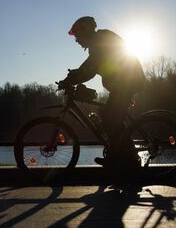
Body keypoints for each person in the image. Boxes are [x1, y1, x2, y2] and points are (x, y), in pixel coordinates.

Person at [58, 16, 145, 171]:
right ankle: (123, 156)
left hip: (127, 82)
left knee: (109, 117)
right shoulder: (98, 42)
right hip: (124, 83)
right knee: (108, 115)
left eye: (77, 36)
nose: (76, 40)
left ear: (85, 31)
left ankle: (127, 159)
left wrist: (70, 79)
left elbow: (90, 67)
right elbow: (90, 69)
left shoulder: (100, 41)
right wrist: (72, 78)